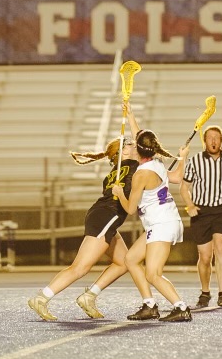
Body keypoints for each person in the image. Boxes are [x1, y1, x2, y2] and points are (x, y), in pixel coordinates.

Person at [28, 136, 139, 321]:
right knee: (80, 267)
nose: (135, 146)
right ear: (124, 152)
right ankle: (42, 298)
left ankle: (89, 297)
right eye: (130, 144)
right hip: (107, 216)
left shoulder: (114, 172)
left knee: (124, 262)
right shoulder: (135, 168)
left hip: (101, 214)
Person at [112, 103, 192, 323]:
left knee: (153, 274)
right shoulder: (155, 162)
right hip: (162, 222)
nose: (130, 144)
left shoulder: (142, 174)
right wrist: (130, 115)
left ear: (138, 149)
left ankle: (181, 307)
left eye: (132, 144)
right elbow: (176, 177)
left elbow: (130, 209)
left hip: (161, 224)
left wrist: (119, 192)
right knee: (130, 259)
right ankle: (149, 305)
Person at [180, 125, 222, 309]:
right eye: (210, 138)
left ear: (221, 140)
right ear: (204, 141)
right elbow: (184, 187)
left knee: (221, 249)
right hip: (201, 212)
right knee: (205, 256)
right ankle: (205, 292)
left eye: (216, 138)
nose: (213, 141)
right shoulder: (195, 161)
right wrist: (190, 205)